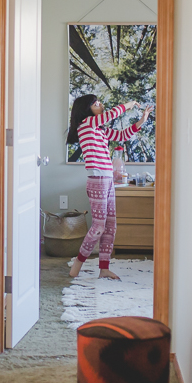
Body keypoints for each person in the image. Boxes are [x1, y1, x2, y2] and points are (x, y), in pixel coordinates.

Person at [66, 94, 153, 280]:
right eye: (96, 103)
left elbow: (122, 135)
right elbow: (111, 114)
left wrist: (142, 121)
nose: (100, 104)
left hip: (108, 180)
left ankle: (104, 268)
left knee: (110, 226)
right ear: (87, 109)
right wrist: (128, 105)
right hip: (97, 180)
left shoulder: (100, 129)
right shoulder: (87, 124)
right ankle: (77, 265)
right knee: (98, 226)